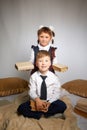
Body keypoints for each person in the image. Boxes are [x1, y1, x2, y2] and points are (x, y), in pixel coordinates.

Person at [17, 50, 67, 120]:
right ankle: (42, 114)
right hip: (36, 101)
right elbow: (32, 91)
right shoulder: (33, 77)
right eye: (40, 61)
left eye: (46, 61)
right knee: (21, 108)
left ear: (50, 63)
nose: (43, 63)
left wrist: (49, 102)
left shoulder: (54, 77)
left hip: (49, 101)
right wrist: (37, 100)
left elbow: (57, 92)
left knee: (62, 106)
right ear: (36, 64)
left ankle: (42, 112)